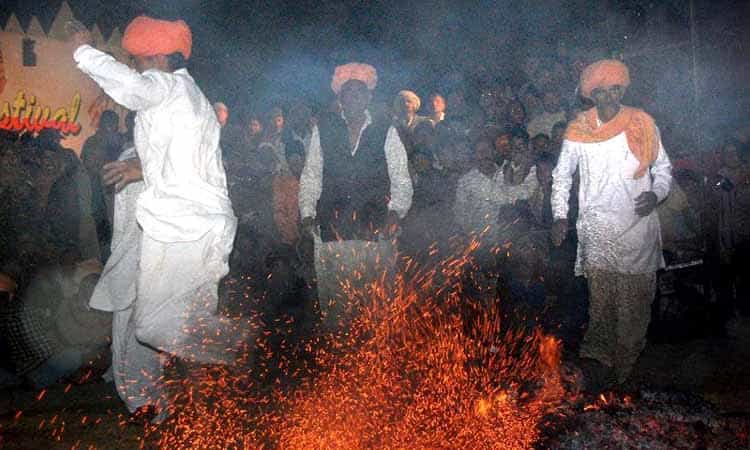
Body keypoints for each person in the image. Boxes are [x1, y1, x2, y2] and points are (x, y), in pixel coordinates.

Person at [69, 16, 244, 422]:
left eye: (140, 60)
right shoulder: (189, 98)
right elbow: (186, 165)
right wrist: (140, 171)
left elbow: (131, 89)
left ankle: (243, 345)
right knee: (150, 319)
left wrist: (84, 50)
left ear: (161, 58)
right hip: (184, 227)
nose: (136, 69)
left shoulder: (167, 87)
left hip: (186, 230)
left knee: (155, 326)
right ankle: (162, 406)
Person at [551, 59, 672, 388]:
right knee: (601, 312)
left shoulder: (642, 122)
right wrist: (560, 215)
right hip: (597, 234)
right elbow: (561, 176)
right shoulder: (578, 128)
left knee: (633, 316)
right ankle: (595, 379)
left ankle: (621, 380)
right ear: (590, 94)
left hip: (638, 235)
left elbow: (663, 170)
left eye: (614, 89)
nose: (608, 97)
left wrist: (656, 194)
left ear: (622, 89)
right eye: (600, 91)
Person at [298, 62, 412, 331]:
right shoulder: (323, 129)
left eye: (359, 92)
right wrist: (306, 213)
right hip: (332, 232)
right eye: (347, 93)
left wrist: (395, 213)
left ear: (369, 97)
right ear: (340, 98)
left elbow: (401, 178)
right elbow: (311, 174)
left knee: (377, 307)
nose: (353, 98)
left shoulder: (386, 130)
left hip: (374, 230)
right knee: (337, 309)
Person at [81, 110, 122, 261]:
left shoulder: (120, 142)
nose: (112, 126)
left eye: (114, 123)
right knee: (101, 239)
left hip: (115, 198)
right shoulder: (93, 142)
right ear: (102, 123)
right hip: (99, 196)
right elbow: (89, 169)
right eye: (109, 122)